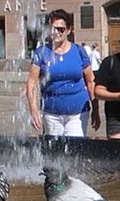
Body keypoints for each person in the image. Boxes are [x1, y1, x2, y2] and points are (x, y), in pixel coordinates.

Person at [26, 9, 98, 137]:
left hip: (78, 112)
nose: (57, 33)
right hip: (51, 113)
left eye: (61, 29)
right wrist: (33, 109)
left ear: (69, 30)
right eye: (54, 29)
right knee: (54, 152)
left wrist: (96, 109)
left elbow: (90, 81)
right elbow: (31, 82)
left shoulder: (79, 51)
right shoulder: (41, 53)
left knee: (75, 149)